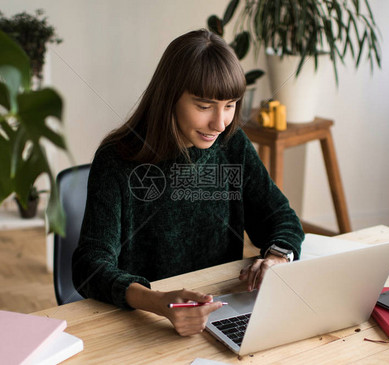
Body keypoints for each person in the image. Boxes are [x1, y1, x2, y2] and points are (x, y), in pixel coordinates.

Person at [72, 29, 304, 337]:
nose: (220, 123)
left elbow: (281, 218)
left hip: (219, 313)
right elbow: (90, 267)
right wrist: (157, 302)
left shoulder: (231, 145)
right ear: (170, 96)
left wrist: (276, 258)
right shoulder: (117, 161)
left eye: (230, 104)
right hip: (143, 322)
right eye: (204, 106)